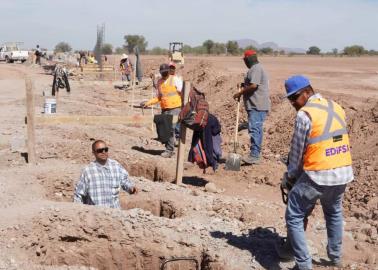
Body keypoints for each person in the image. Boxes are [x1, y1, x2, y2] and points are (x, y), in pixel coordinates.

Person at [279, 75, 354, 270]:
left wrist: (290, 177)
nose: (293, 103)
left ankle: (304, 265)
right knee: (334, 211)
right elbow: (332, 140)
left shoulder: (305, 115)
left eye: (294, 98)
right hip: (343, 171)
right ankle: (335, 257)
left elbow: (296, 153)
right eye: (290, 100)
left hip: (318, 174)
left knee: (294, 215)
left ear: (306, 92)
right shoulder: (336, 106)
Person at [73, 140, 137, 208]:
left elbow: (124, 181)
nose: (103, 152)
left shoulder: (116, 166)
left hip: (114, 213)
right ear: (93, 153)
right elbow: (79, 195)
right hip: (96, 215)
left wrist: (131, 188)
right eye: (100, 150)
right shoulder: (88, 171)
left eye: (105, 149)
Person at [233, 49, 270, 165]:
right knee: (255, 128)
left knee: (255, 130)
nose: (244, 62)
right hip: (254, 105)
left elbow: (254, 86)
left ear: (248, 60)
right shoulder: (254, 69)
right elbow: (252, 83)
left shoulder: (256, 68)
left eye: (245, 60)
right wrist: (244, 85)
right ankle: (254, 154)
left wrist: (241, 92)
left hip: (257, 105)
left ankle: (255, 156)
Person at [141, 63, 182, 158]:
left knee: (170, 129)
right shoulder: (159, 82)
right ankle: (169, 146)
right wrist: (148, 103)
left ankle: (169, 151)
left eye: (165, 72)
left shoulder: (175, 79)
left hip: (175, 107)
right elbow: (159, 97)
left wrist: (185, 106)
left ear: (168, 71)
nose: (164, 74)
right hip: (165, 108)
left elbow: (183, 92)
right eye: (162, 72)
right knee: (163, 128)